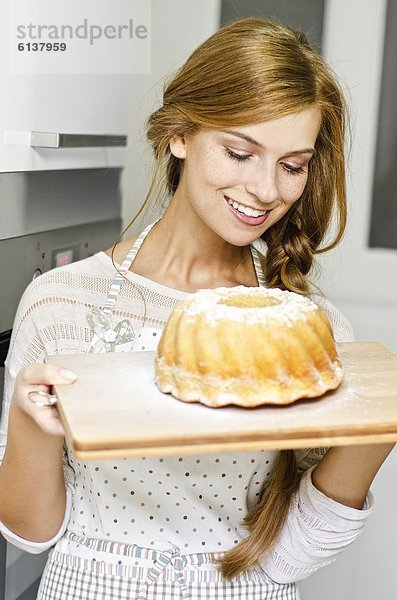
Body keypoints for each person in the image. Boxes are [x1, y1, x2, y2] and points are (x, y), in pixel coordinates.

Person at [0, 17, 393, 600]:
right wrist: (31, 427)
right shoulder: (62, 301)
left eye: (292, 165)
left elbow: (289, 555)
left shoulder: (306, 329)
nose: (265, 189)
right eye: (239, 152)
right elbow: (29, 535)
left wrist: (375, 432)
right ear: (180, 134)